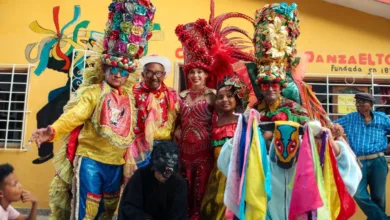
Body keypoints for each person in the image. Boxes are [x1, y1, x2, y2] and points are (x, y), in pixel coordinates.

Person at [29, 0, 156, 219]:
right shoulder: (94, 92)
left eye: (123, 71)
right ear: (104, 69)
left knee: (108, 210)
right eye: (113, 69)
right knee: (85, 210)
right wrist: (52, 130)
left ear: (128, 74)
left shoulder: (130, 97)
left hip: (117, 163)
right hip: (90, 159)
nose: (117, 75)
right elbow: (75, 115)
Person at [175, 2, 254, 218]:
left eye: (200, 72)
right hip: (183, 153)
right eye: (192, 73)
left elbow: (224, 119)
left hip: (206, 153)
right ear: (187, 74)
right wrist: (176, 130)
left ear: (206, 74)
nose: (195, 76)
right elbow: (176, 121)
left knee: (204, 195)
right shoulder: (180, 96)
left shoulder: (213, 95)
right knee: (183, 192)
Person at [334, 92, 390, 220]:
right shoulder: (350, 118)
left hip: (378, 161)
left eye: (362, 103)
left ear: (370, 104)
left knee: (379, 196)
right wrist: (336, 129)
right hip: (358, 162)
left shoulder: (382, 118)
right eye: (357, 103)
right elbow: (332, 125)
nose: (358, 106)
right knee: (357, 193)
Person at [200, 77, 248, 219]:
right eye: (220, 97)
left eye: (229, 96)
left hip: (236, 175)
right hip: (217, 174)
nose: (224, 100)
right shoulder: (214, 120)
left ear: (237, 99)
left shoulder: (243, 120)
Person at [127, 55, 180, 172]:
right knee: (141, 178)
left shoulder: (171, 94)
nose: (154, 77)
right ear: (143, 74)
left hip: (164, 143)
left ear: (164, 74)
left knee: (161, 180)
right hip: (140, 144)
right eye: (149, 73)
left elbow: (178, 117)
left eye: (158, 73)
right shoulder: (133, 92)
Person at [118, 141, 187, 220]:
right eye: (160, 173)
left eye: (169, 175)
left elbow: (179, 215)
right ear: (154, 166)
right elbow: (128, 206)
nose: (163, 178)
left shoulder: (179, 184)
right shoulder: (140, 176)